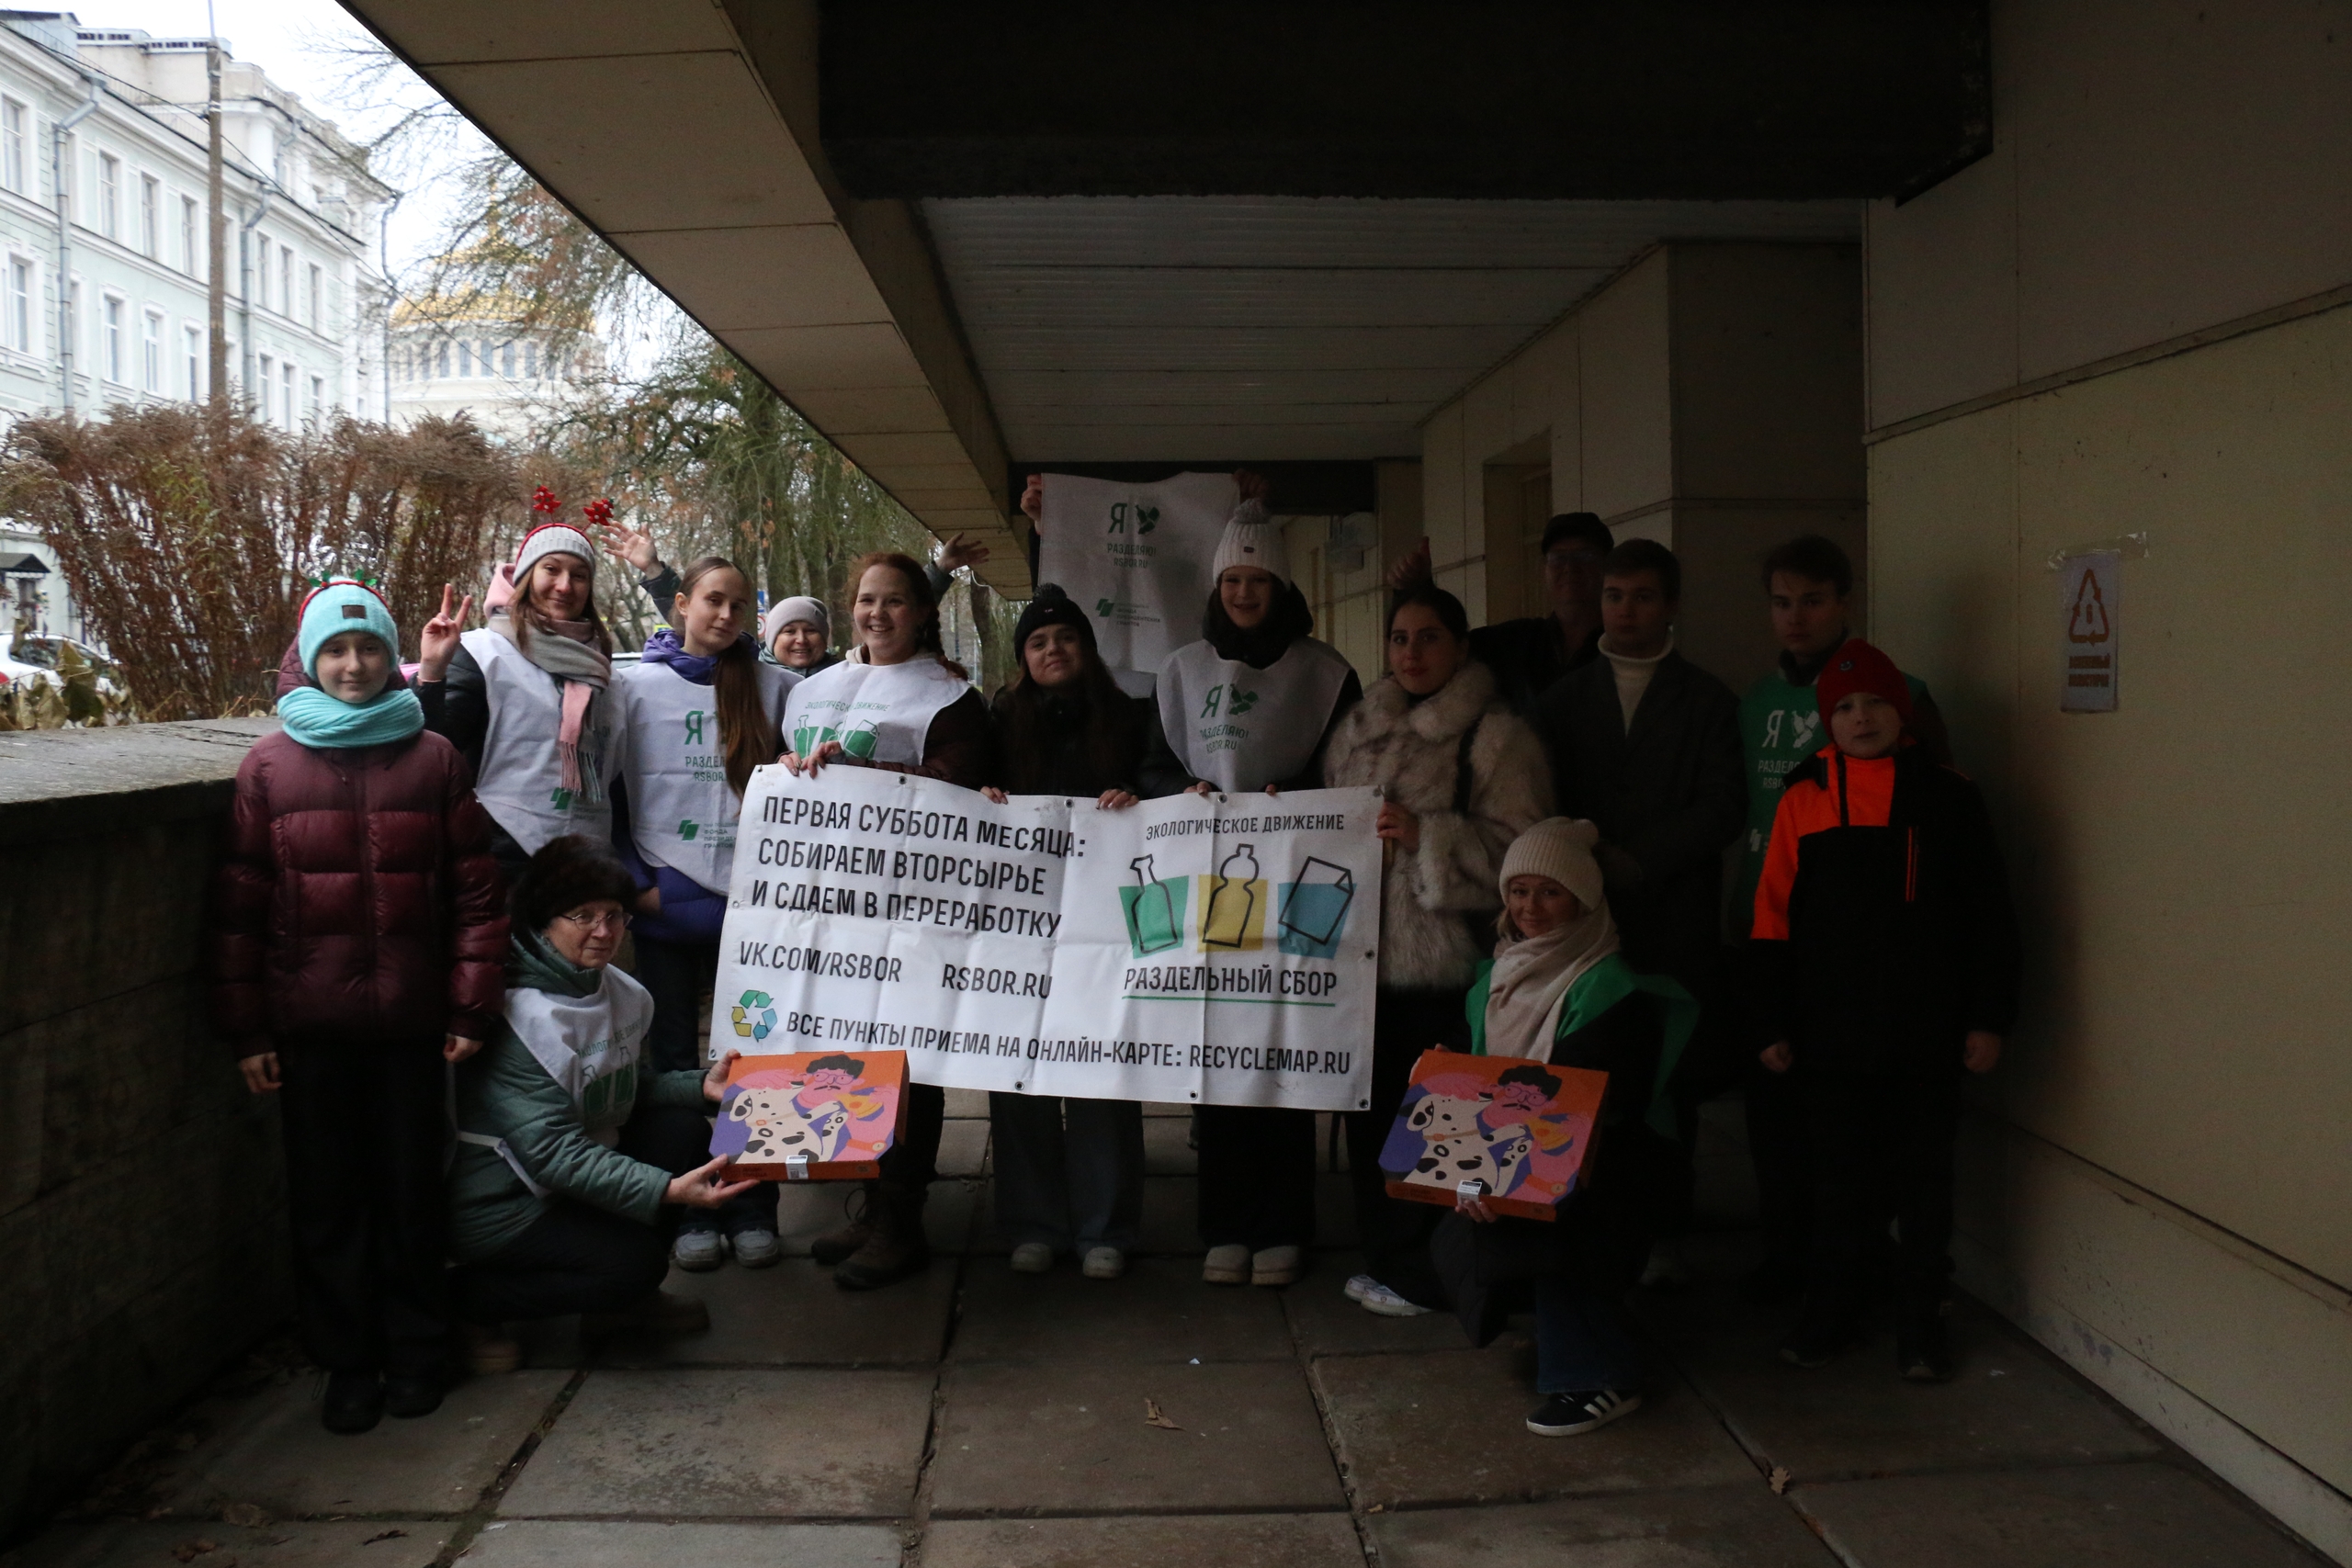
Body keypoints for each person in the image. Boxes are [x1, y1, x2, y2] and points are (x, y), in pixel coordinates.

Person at [212, 579, 507, 1434]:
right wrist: (248, 1028)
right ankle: (347, 1361)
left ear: (390, 656)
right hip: (311, 1032)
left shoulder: (433, 758)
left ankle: (417, 1350)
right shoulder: (269, 766)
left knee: (412, 1194)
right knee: (328, 1203)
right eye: (336, 651)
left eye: (369, 648)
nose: (353, 665)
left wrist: (469, 1007)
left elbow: (477, 896)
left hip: (413, 1027)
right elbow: (239, 906)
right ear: (311, 660)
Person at [1748, 639, 2019, 1382]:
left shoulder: (1949, 797)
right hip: (1829, 1035)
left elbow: (1988, 915)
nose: (1860, 717)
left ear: (1903, 712)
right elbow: (1771, 918)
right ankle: (1831, 1309)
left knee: (1924, 1182)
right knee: (1836, 1180)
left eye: (1874, 702)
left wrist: (1988, 1017)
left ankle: (1921, 1319)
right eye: (1843, 707)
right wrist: (1770, 1021)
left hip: (1926, 1033)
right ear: (1825, 721)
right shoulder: (1803, 798)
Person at [1141, 475, 1363, 1288]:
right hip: (1210, 892)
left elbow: (1349, 769)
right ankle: (1226, 1223)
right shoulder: (1180, 671)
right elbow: (1153, 766)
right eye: (1232, 580)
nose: (1243, 593)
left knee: (1284, 1051)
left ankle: (1283, 1225)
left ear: (1282, 587)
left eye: (1257, 580)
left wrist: (1294, 798)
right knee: (1220, 1055)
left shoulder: (1326, 673)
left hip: (1297, 884)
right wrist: (1184, 789)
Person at [1319, 582, 1551, 1316]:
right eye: (1400, 638)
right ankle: (1391, 1261)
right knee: (1375, 1116)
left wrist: (1429, 837)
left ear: (1460, 646)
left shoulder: (1496, 737)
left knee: (1443, 1123)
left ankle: (1439, 1273)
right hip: (1361, 960)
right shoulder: (1358, 728)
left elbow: (1525, 854)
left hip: (1448, 966)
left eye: (1429, 637)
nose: (1412, 652)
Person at [447, 836, 761, 1371]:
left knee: (682, 1128)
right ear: (542, 921)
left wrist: (698, 1087)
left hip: (565, 1176)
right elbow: (553, 1154)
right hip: (505, 1203)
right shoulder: (520, 1013)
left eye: (614, 915)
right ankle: (464, 1303)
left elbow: (614, 1089)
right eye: (583, 916)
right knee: (631, 1265)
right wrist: (665, 1190)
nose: (603, 931)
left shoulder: (609, 986)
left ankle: (617, 1307)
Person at [1736, 535, 1951, 1301]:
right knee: (1778, 1125)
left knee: (1862, 1139)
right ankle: (1788, 1266)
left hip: (1870, 961)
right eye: (1781, 602)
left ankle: (1862, 1275)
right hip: (1772, 937)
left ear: (1845, 602)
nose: (1796, 616)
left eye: (1813, 600)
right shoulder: (1755, 702)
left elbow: (1935, 810)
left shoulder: (1902, 694)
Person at [1437, 818, 1698, 1438]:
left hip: (1611, 1154)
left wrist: (1499, 1172)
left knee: (1557, 1229)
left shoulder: (1608, 985)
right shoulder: (1497, 977)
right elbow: (1485, 1080)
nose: (1530, 907)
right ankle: (1561, 1328)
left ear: (1584, 898)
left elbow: (1592, 1105)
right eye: (1519, 890)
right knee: (1461, 1226)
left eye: (1550, 891)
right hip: (1534, 1140)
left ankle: (1600, 1375)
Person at [783, 551, 992, 1290]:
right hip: (832, 906)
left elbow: (957, 789)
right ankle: (872, 1205)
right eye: (867, 600)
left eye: (895, 600)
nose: (878, 613)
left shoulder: (951, 698)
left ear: (923, 610)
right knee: (851, 1058)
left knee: (907, 1063)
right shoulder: (815, 692)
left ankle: (903, 1221)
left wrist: (864, 776)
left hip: (913, 912)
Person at [612, 557, 799, 1274]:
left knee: (757, 1063)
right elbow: (611, 792)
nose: (725, 615)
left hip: (753, 916)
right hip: (666, 911)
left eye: (739, 605)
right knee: (674, 1065)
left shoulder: (776, 686)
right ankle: (693, 1208)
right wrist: (637, 886)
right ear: (682, 603)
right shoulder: (634, 688)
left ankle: (752, 1206)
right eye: (713, 600)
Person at [977, 585, 1150, 1280]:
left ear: (1087, 647)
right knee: (1016, 1066)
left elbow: (1160, 791)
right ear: (1023, 656)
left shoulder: (1129, 716)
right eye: (1039, 641)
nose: (1053, 650)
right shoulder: (1001, 717)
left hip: (1104, 924)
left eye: (1066, 638)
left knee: (1102, 1065)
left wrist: (1138, 799)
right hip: (1018, 923)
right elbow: (969, 791)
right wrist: (983, 799)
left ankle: (1106, 1226)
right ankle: (1034, 1222)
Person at [1531, 539, 1744, 998]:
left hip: (1678, 913)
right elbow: (1540, 799)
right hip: (1581, 910)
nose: (1625, 610)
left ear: (1671, 605)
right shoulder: (1560, 702)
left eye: (1642, 597)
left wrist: (1641, 859)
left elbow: (1724, 805)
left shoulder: (1709, 701)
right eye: (1614, 595)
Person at [417, 489, 626, 880]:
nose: (565, 585)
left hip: (588, 861)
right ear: (527, 577)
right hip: (501, 858)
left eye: (579, 575)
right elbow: (433, 752)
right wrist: (432, 674)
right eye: (552, 569)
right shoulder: (482, 653)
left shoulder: (606, 674)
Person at [1387, 513, 1615, 716]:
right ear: (1544, 569)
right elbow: (1443, 655)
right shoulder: (1514, 643)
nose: (1570, 567)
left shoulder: (1623, 648)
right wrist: (1418, 589)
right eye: (1558, 558)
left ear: (1608, 567)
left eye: (1585, 556)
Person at [761, 595, 842, 675]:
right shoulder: (757, 678)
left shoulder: (843, 678)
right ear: (772, 641)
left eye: (810, 631)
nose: (801, 640)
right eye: (790, 631)